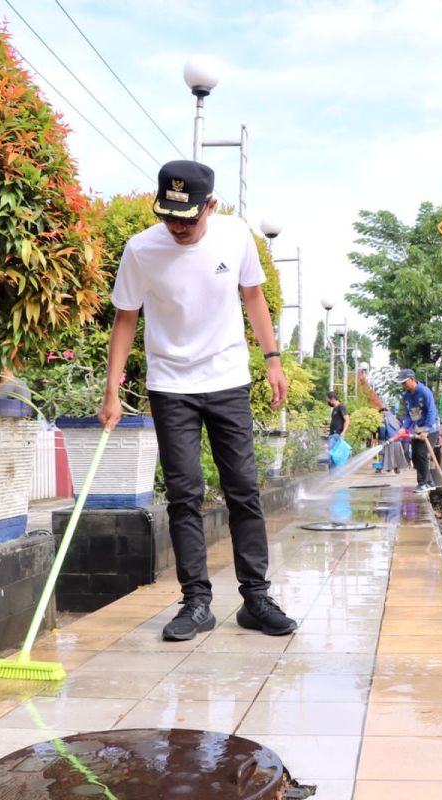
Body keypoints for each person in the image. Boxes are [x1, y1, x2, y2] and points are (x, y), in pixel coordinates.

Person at [99, 160, 296, 642]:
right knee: (184, 495)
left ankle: (255, 599)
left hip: (228, 380)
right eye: (170, 217)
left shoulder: (235, 235)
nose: (179, 227)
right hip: (170, 385)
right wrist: (111, 391)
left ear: (210, 205)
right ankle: (196, 601)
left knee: (243, 490)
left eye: (189, 217)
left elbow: (253, 296)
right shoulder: (141, 249)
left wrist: (272, 359)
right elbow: (125, 319)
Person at [398, 368, 439, 493]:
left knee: (422, 454)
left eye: (405, 382)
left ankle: (422, 483)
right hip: (417, 428)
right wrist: (404, 427)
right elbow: (409, 415)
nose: (403, 385)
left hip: (430, 428)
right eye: (402, 383)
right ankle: (430, 482)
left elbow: (432, 411)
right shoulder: (406, 396)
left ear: (412, 379)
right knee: (415, 456)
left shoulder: (424, 391)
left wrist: (426, 430)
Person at [378, 405, 409, 474]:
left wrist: (382, 439)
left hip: (390, 440)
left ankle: (390, 469)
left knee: (390, 455)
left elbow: (382, 431)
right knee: (398, 455)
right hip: (398, 439)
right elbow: (401, 428)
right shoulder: (395, 420)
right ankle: (398, 469)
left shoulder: (384, 420)